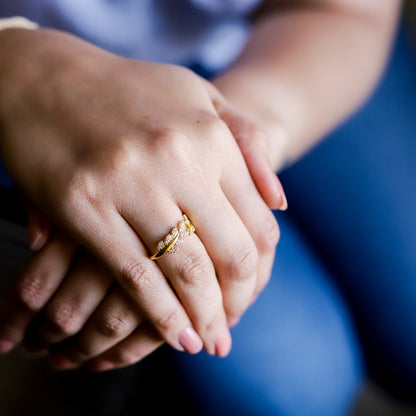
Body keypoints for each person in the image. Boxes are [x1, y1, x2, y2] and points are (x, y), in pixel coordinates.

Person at [0, 1, 412, 415]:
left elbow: (348, 12)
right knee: (289, 391)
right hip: (31, 92)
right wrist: (17, 65)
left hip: (291, 43)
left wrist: (218, 155)